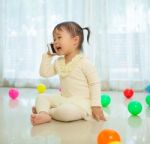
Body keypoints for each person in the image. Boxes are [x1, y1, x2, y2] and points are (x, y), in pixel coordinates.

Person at [31, 21, 106, 125]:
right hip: (63, 99)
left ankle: (47, 111)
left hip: (80, 103)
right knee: (41, 97)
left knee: (66, 112)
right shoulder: (59, 62)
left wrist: (96, 105)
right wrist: (48, 56)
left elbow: (94, 84)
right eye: (54, 39)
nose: (55, 42)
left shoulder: (84, 62)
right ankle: (43, 113)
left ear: (75, 40)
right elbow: (44, 73)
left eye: (59, 37)